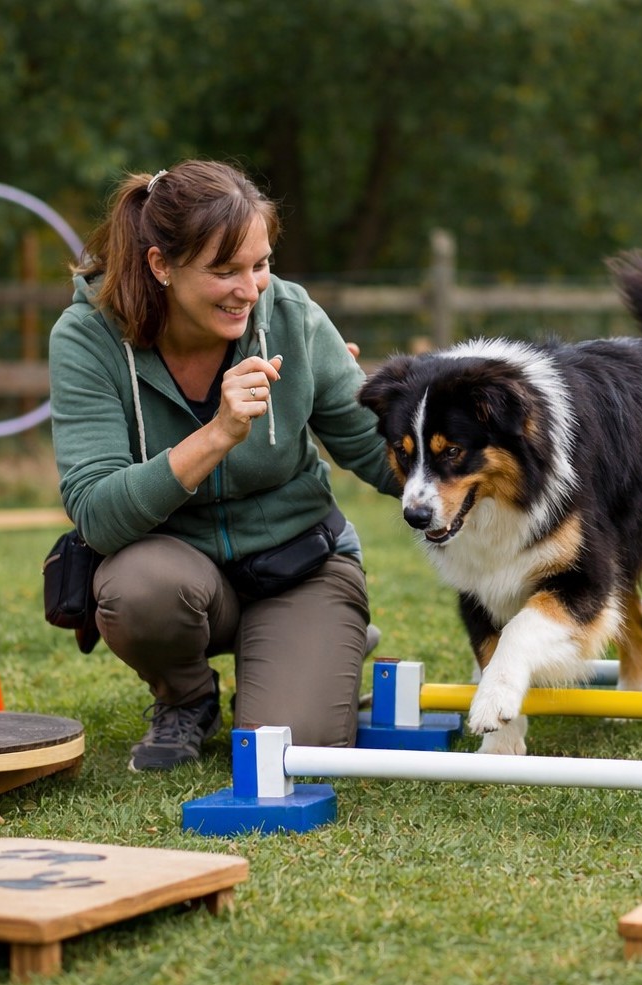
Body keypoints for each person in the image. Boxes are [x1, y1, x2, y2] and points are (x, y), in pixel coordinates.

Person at [48, 159, 400, 770]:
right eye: (224, 270)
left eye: (260, 265)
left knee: (295, 753)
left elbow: (377, 452)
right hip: (176, 580)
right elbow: (98, 516)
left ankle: (324, 643)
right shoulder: (87, 338)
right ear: (161, 265)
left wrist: (471, 461)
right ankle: (186, 698)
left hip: (301, 566)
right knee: (139, 590)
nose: (250, 289)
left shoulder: (292, 315)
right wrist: (217, 434)